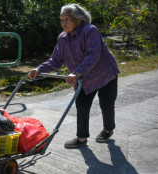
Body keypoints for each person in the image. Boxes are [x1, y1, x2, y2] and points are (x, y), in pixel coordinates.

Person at [28, 3, 120, 148]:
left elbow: (93, 55)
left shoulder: (90, 31)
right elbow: (56, 60)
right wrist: (39, 69)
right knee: (82, 106)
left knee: (106, 104)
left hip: (105, 73)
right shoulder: (63, 38)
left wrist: (76, 72)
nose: (63, 23)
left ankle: (108, 130)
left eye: (67, 19)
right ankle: (81, 139)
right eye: (61, 20)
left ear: (79, 20)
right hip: (84, 78)